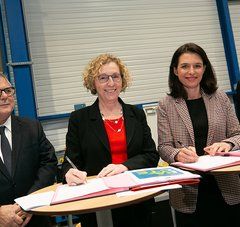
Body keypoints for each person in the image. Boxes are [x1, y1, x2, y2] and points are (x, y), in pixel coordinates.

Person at [61, 53, 159, 227]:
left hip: (137, 200)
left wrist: (124, 166)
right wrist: (68, 173)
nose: (111, 83)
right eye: (103, 78)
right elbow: (69, 162)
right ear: (93, 83)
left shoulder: (135, 114)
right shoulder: (79, 119)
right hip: (98, 204)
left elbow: (151, 155)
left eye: (115, 76)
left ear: (123, 80)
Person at [157, 43, 240, 227]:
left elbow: (237, 134)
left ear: (204, 68)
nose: (191, 71)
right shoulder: (166, 105)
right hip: (188, 190)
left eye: (197, 65)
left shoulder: (220, 98)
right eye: (184, 66)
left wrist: (227, 144)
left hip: (227, 188)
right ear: (175, 70)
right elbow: (164, 147)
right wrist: (178, 154)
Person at [0, 73, 58, 226]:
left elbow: (49, 164)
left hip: (36, 218)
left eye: (8, 90)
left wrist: (29, 203)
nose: (5, 96)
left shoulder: (32, 127)